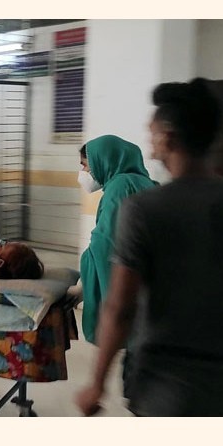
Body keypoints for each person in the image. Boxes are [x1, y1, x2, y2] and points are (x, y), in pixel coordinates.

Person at [76, 78, 223, 417]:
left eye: (152, 134)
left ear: (167, 136)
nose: (150, 146)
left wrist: (97, 383)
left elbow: (120, 307)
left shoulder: (147, 209)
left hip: (167, 388)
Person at [76, 135, 157, 396]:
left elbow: (106, 243)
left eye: (85, 165)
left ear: (103, 161)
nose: (83, 172)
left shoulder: (120, 186)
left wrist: (84, 271)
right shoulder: (145, 182)